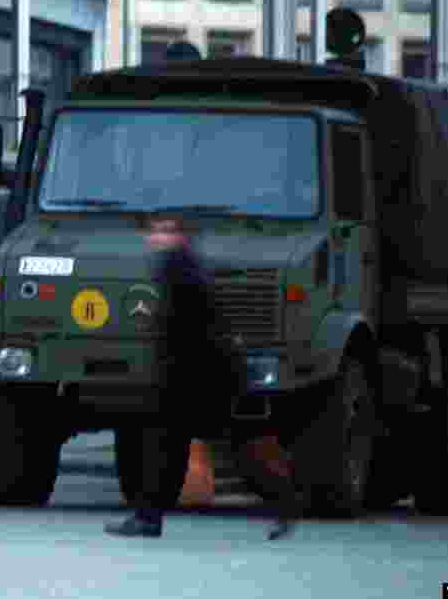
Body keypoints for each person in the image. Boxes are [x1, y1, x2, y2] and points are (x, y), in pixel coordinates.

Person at [104, 216, 302, 542]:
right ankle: (149, 517)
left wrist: (167, 374)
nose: (155, 237)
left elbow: (184, 330)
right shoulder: (184, 265)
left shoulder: (178, 267)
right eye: (155, 230)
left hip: (204, 378)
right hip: (202, 377)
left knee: (226, 447)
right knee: (174, 447)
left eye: (164, 230)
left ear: (179, 236)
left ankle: (285, 502)